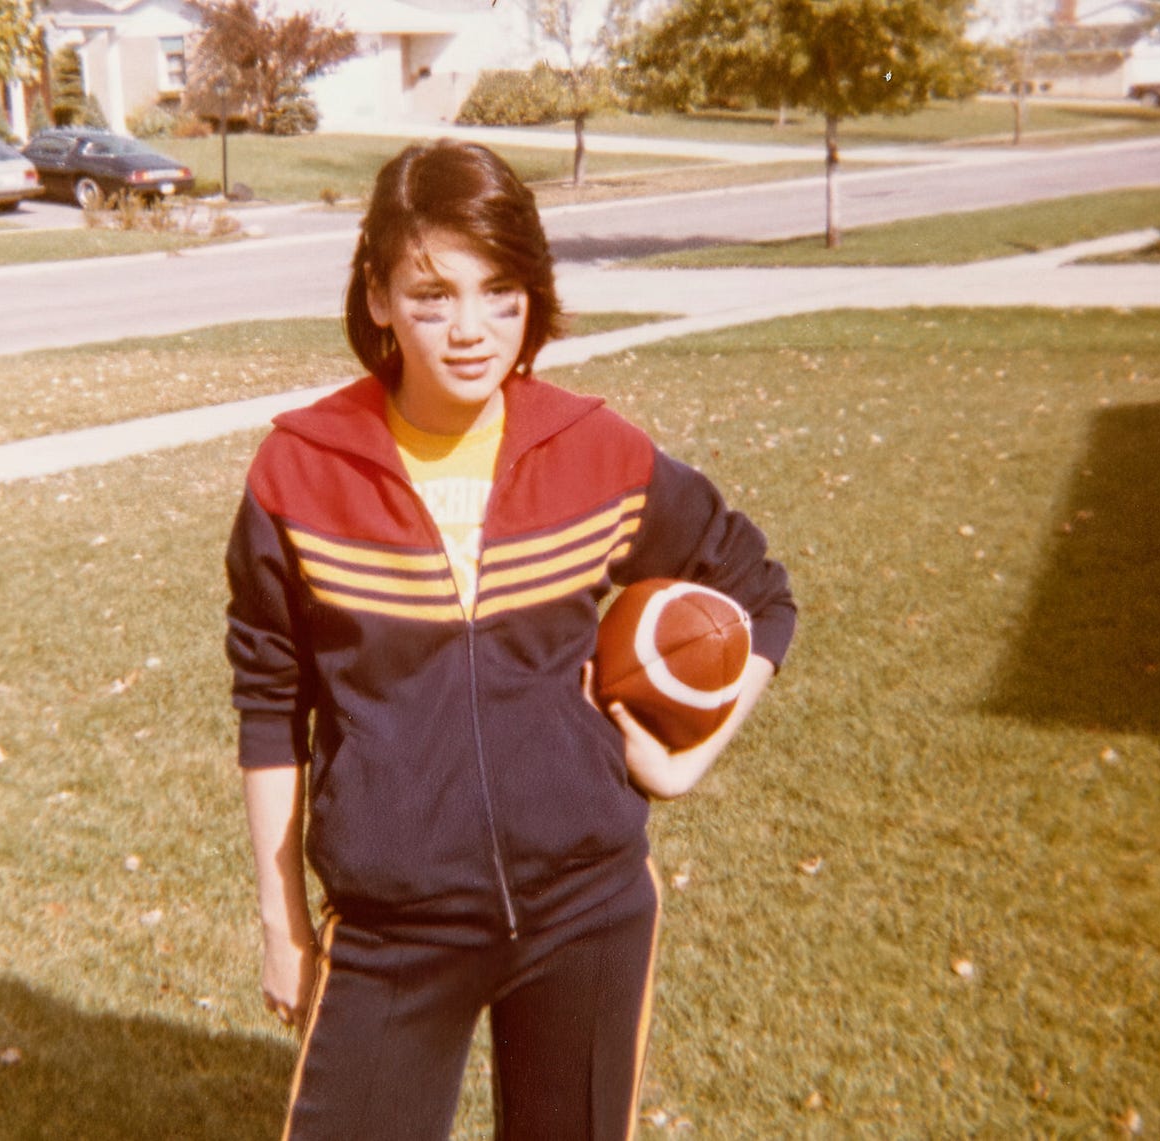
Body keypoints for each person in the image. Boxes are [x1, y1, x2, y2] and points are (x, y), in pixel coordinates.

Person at [225, 138, 795, 1141]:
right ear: (377, 300)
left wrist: (686, 760)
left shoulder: (595, 451)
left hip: (588, 910)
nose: (471, 330)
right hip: (395, 928)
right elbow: (272, 705)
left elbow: (757, 589)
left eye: (501, 291)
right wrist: (285, 927)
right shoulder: (297, 473)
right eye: (432, 294)